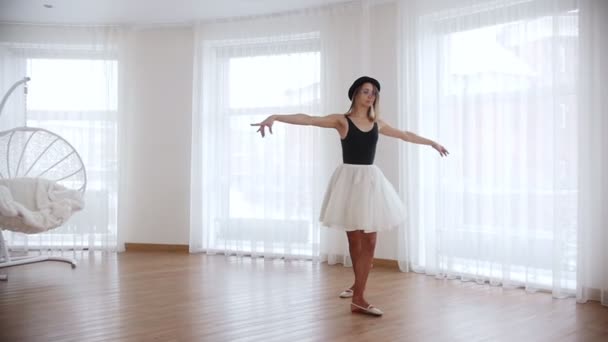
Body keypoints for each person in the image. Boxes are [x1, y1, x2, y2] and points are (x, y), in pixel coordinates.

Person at [251, 76, 448, 316]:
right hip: (349, 183)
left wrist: (431, 143)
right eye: (366, 91)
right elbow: (309, 119)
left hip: (371, 182)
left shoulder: (378, 123)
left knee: (371, 241)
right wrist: (276, 117)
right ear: (355, 94)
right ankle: (359, 296)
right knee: (355, 241)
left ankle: (358, 293)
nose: (370, 96)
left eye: (374, 93)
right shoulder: (342, 121)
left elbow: (404, 134)